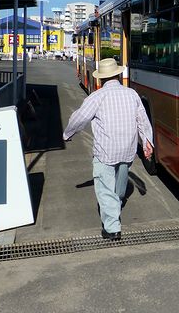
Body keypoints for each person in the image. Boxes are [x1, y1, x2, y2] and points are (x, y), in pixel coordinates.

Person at [62, 58, 154, 240]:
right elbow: (142, 120)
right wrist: (147, 142)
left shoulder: (97, 97)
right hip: (127, 150)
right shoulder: (132, 94)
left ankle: (112, 228)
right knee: (119, 185)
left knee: (105, 188)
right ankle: (115, 206)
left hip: (106, 151)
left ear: (101, 78)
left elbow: (79, 118)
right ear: (118, 75)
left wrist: (67, 134)